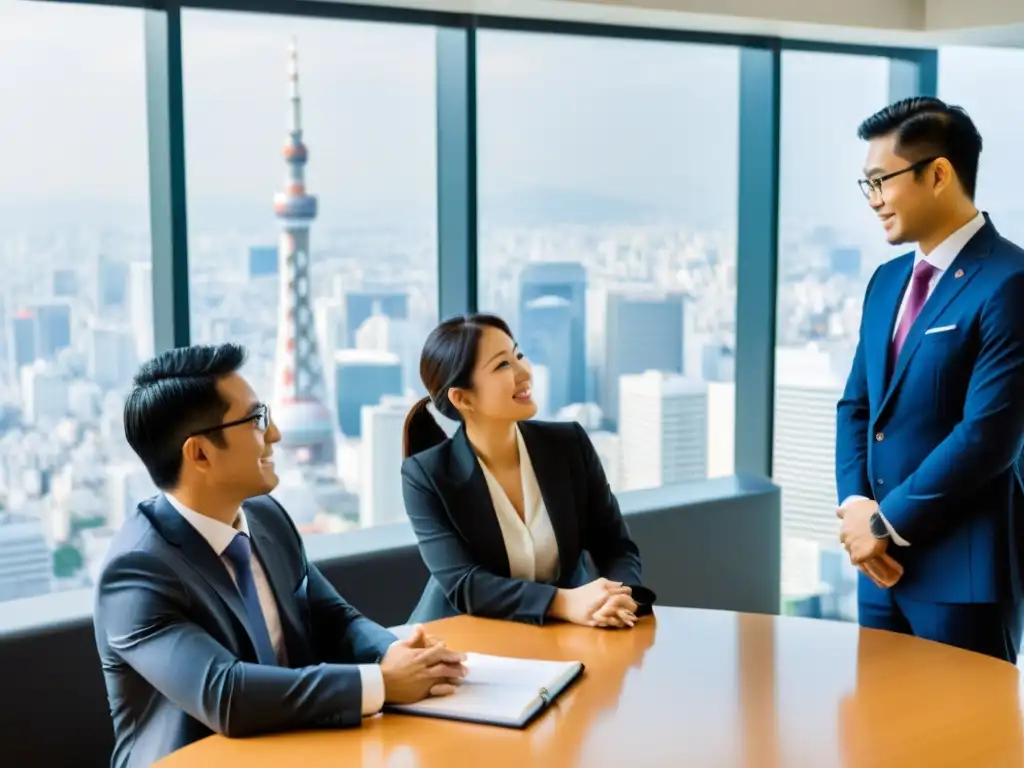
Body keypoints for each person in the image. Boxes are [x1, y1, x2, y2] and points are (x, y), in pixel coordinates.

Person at [94, 344, 467, 768]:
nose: (275, 435)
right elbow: (226, 694)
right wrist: (382, 683)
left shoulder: (266, 517)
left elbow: (334, 617)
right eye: (257, 420)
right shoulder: (137, 571)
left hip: (300, 748)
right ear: (200, 453)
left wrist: (391, 652)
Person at [836, 96, 1024, 662]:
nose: (873, 200)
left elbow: (987, 437)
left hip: (962, 576)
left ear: (938, 173)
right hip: (878, 572)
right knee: (878, 737)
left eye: (881, 181)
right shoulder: (887, 280)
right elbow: (857, 406)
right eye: (865, 185)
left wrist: (885, 523)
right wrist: (854, 505)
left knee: (966, 745)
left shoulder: (1010, 282)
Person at [400, 313, 656, 628]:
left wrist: (620, 595)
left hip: (568, 631)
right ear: (463, 398)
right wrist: (565, 602)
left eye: (518, 355)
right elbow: (467, 585)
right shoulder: (425, 476)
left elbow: (614, 544)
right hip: (464, 639)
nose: (524, 372)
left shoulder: (569, 444)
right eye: (502, 365)